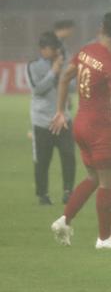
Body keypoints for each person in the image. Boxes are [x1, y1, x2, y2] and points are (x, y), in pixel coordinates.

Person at [49, 11, 111, 249]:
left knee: (94, 177)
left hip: (80, 125)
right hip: (100, 130)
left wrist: (61, 111)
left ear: (102, 27)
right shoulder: (110, 64)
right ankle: (104, 238)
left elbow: (64, 78)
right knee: (107, 182)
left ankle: (64, 220)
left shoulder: (86, 51)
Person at [26, 31, 76, 205]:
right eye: (51, 48)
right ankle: (43, 195)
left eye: (56, 48)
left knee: (69, 156)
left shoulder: (63, 64)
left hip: (63, 119)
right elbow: (37, 89)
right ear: (42, 49)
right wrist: (53, 72)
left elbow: (72, 86)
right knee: (43, 160)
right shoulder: (33, 66)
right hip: (43, 121)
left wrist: (64, 73)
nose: (55, 52)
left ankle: (68, 191)